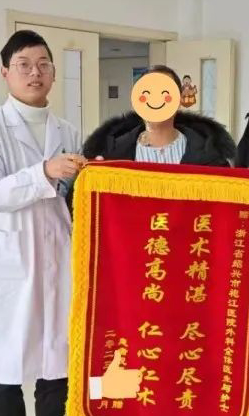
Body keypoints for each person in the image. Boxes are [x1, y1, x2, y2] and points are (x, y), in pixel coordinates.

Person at [0, 29, 86, 416]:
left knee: (57, 366)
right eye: (23, 65)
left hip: (59, 259)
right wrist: (44, 172)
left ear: (53, 73)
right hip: (12, 262)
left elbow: (74, 198)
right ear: (5, 72)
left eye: (42, 64)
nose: (34, 73)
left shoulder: (68, 130)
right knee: (7, 369)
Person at [83, 65, 235, 166]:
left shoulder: (210, 156)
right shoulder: (111, 155)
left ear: (179, 98)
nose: (155, 100)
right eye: (148, 92)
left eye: (164, 92)